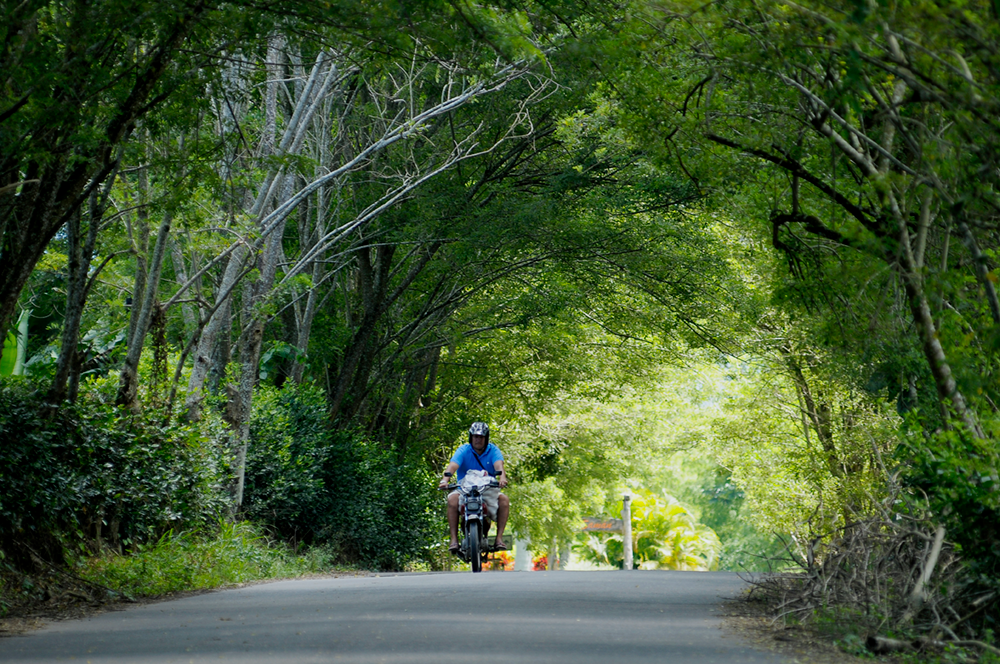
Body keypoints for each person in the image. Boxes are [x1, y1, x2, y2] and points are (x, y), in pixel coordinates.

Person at [439, 421, 509, 555]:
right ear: (471, 437)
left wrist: (502, 479)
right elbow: (452, 466)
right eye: (475, 436)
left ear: (486, 438)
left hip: (488, 489)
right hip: (465, 489)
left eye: (481, 437)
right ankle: (454, 540)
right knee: (452, 500)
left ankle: (499, 538)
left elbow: (499, 467)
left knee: (504, 500)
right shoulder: (464, 450)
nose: (478, 439)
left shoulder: (493, 450)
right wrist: (445, 480)